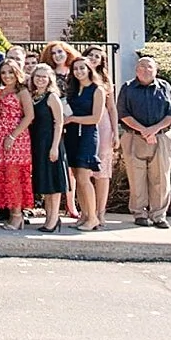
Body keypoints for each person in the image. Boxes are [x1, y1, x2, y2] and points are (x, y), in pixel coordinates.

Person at [116, 55, 171, 229]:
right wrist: (143, 131)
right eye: (142, 67)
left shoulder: (165, 87)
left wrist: (152, 130)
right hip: (134, 137)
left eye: (149, 67)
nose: (146, 70)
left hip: (161, 138)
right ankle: (139, 213)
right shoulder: (128, 88)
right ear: (136, 70)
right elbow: (123, 114)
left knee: (161, 177)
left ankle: (159, 215)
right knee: (136, 177)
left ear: (156, 70)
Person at [0, 59, 35, 229]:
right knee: (5, 176)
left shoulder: (22, 91)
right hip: (0, 137)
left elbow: (29, 116)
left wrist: (12, 136)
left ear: (17, 73)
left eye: (10, 72)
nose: (7, 76)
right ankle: (12, 214)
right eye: (4, 72)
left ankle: (17, 215)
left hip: (17, 138)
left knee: (15, 176)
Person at [62, 56, 106, 232]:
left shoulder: (97, 90)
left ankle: (93, 217)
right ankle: (84, 214)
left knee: (84, 177)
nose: (79, 71)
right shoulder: (73, 90)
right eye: (76, 69)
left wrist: (72, 118)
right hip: (72, 135)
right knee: (77, 178)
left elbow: (96, 117)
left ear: (89, 69)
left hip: (87, 135)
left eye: (82, 68)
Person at [27, 63, 70, 232]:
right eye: (38, 76)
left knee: (54, 182)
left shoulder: (52, 97)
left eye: (44, 77)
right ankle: (48, 217)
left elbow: (59, 123)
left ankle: (53, 219)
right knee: (45, 182)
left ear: (50, 79)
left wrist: (54, 147)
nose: (41, 79)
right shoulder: (34, 96)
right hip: (38, 143)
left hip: (51, 142)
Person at [83, 46, 121, 226]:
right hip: (83, 124)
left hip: (103, 125)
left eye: (98, 56)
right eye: (91, 55)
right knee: (83, 172)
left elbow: (112, 107)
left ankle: (101, 212)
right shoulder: (79, 77)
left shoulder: (105, 80)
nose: (94, 58)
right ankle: (86, 212)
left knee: (102, 172)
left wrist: (116, 132)